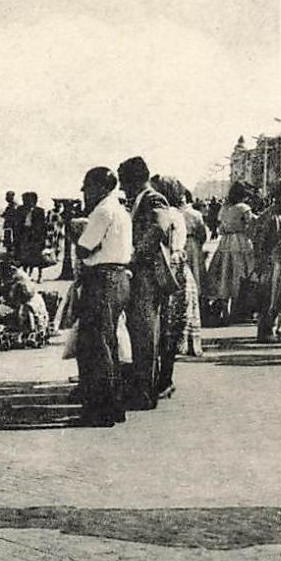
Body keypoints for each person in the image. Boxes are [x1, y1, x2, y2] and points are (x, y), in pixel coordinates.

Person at [73, 166, 135, 426]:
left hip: (101, 279)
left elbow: (83, 249)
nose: (85, 193)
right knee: (109, 343)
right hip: (120, 277)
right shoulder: (120, 210)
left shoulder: (102, 211)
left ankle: (100, 410)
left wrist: (76, 237)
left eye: (87, 187)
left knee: (95, 346)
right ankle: (114, 406)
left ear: (99, 187)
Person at [118, 156, 172, 410]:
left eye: (124, 182)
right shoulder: (141, 200)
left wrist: (136, 255)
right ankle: (143, 387)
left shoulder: (153, 199)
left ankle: (145, 392)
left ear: (135, 180)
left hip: (147, 275)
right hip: (141, 275)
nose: (122, 188)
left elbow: (160, 227)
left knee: (145, 333)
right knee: (141, 332)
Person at [149, 174, 193, 397]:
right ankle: (163, 378)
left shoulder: (170, 214)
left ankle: (165, 379)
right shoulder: (176, 213)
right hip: (173, 272)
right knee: (166, 328)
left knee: (167, 328)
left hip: (169, 274)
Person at [204, 183, 254, 325]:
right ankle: (238, 311)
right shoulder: (245, 209)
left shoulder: (225, 209)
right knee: (241, 276)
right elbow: (250, 226)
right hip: (241, 242)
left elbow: (220, 229)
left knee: (225, 276)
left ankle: (224, 310)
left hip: (225, 243)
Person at [180, 187, 209, 356]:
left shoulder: (173, 213)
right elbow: (202, 234)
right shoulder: (194, 214)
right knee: (195, 279)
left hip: (180, 247)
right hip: (192, 246)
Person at [253, 186, 281, 343]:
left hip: (273, 260)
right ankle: (266, 330)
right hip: (273, 261)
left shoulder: (269, 214)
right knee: (271, 297)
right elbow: (263, 242)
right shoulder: (273, 216)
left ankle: (272, 329)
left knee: (273, 297)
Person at [16, 192, 49, 280]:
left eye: (27, 200)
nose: (25, 202)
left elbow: (43, 226)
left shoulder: (40, 211)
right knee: (24, 257)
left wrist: (42, 239)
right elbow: (18, 224)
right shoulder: (20, 210)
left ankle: (39, 275)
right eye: (24, 200)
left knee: (37, 257)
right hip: (25, 235)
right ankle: (26, 275)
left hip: (36, 237)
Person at [0, 191, 21, 256]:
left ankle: (12, 253)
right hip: (9, 224)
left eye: (7, 196)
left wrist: (6, 215)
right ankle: (10, 252)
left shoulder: (14, 204)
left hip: (12, 225)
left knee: (11, 238)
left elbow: (13, 214)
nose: (6, 198)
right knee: (8, 238)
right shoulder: (10, 205)